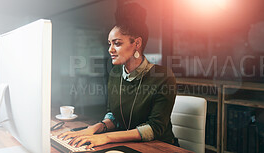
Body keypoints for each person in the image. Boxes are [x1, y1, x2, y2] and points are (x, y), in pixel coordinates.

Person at [58, 2, 178, 149]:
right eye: (109, 43)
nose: (110, 49)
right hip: (127, 144)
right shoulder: (115, 73)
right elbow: (113, 115)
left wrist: (106, 137)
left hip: (159, 147)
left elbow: (154, 128)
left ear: (137, 43)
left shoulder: (163, 76)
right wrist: (94, 129)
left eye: (117, 43)